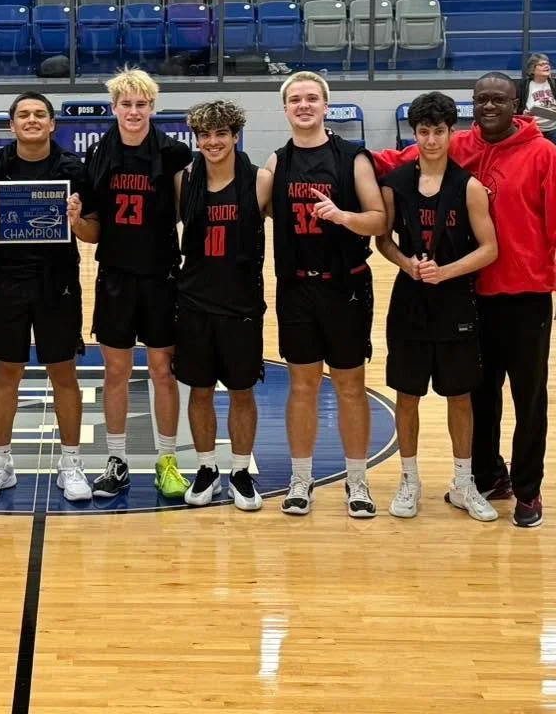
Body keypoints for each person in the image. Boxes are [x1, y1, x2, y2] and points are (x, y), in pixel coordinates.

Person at [370, 73, 556, 528]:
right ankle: (491, 476)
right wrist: (339, 152)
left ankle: (529, 491)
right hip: (472, 296)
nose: (489, 106)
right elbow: (397, 160)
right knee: (479, 394)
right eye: (481, 100)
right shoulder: (460, 145)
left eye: (499, 99)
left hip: (527, 294)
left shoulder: (543, 154)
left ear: (517, 104)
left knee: (529, 398)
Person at [265, 71, 387, 518]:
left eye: (312, 98)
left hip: (345, 286)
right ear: (285, 109)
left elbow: (378, 220)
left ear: (325, 105)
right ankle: (301, 479)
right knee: (301, 386)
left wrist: (341, 216)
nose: (304, 105)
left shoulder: (352, 158)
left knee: (350, 386)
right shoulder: (277, 163)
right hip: (296, 286)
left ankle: (357, 482)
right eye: (295, 99)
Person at [374, 93, 500, 522]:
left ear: (452, 133)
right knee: (406, 396)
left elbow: (489, 249)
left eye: (439, 132)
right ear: (414, 133)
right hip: (410, 301)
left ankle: (463, 484)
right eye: (423, 132)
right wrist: (407, 264)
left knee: (459, 396)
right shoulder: (395, 183)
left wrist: (445, 273)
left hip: (455, 302)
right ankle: (409, 480)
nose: (430, 140)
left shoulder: (468, 186)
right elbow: (383, 240)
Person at [0, 92, 95, 501]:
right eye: (24, 115)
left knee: (63, 373)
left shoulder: (73, 168)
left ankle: (71, 463)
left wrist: (77, 221)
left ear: (53, 124)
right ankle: (0, 462)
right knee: (6, 374)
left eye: (40, 114)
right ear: (13, 124)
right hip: (7, 281)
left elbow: (94, 232)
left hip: (58, 282)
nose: (33, 120)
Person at [79, 68, 193, 500]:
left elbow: (186, 214)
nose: (133, 111)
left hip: (162, 276)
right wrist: (75, 222)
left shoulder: (173, 154)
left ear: (152, 107)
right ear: (114, 108)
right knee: (116, 372)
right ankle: (117, 461)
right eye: (125, 104)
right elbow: (92, 230)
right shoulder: (99, 155)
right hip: (115, 278)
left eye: (141, 104)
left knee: (163, 372)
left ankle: (167, 459)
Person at [174, 100, 268, 511]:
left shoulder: (259, 180)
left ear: (234, 135)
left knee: (242, 391)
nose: (212, 142)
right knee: (200, 390)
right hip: (194, 300)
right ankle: (208, 467)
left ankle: (242, 471)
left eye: (221, 134)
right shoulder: (185, 180)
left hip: (242, 302)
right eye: (205, 135)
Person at [515, 54, 556, 165]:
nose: (546, 66)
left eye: (548, 64)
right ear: (532, 69)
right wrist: (523, 113)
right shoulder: (523, 86)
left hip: (554, 128)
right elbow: (513, 108)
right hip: (532, 129)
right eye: (542, 64)